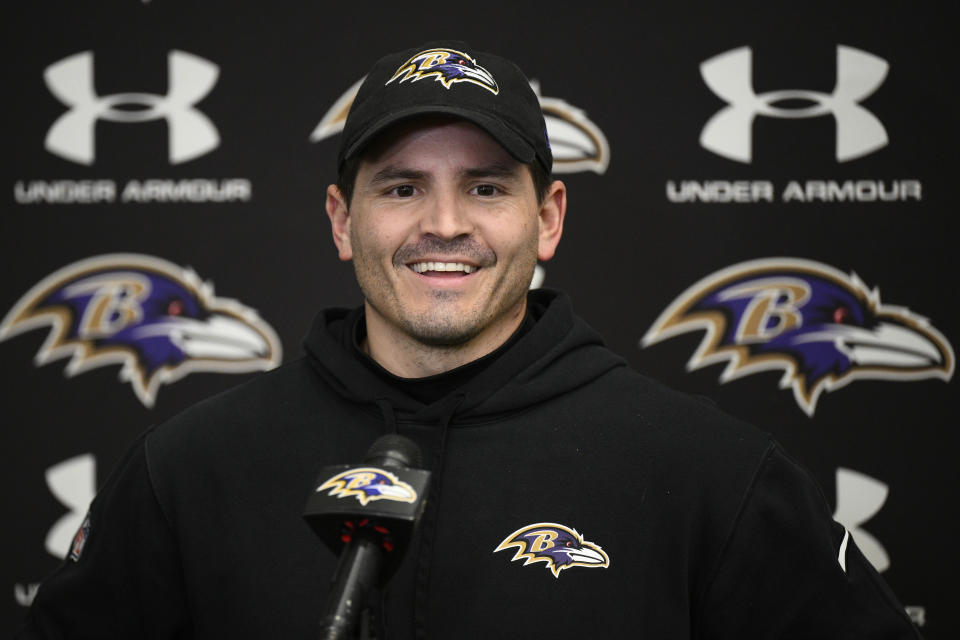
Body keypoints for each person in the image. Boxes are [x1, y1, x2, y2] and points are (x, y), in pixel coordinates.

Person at [19, 40, 923, 639]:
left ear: (550, 217)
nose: (443, 224)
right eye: (402, 187)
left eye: (487, 188)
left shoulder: (708, 474)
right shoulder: (190, 469)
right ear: (342, 220)